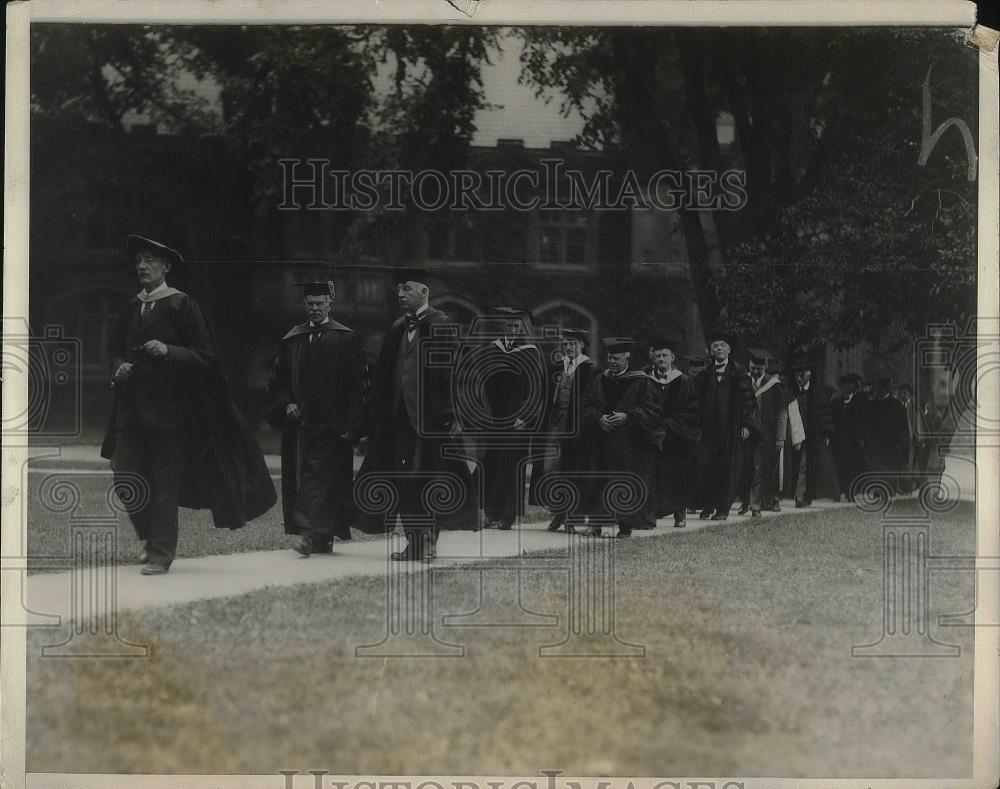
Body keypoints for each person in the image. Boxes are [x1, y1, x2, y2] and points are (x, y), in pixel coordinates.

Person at [102, 235, 276, 574]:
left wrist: (169, 351)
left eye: (149, 260)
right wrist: (117, 366)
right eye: (138, 260)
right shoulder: (130, 307)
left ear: (165, 267)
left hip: (172, 414)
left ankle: (159, 555)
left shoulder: (182, 305)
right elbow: (112, 350)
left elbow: (206, 357)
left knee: (164, 483)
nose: (141, 266)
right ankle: (150, 537)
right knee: (125, 476)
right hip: (131, 413)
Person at [353, 268, 475, 561]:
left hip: (432, 421)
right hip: (398, 420)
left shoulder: (442, 325)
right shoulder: (397, 328)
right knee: (403, 483)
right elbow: (383, 378)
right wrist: (374, 420)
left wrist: (454, 415)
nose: (400, 294)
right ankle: (413, 542)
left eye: (406, 289)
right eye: (398, 289)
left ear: (424, 292)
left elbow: (457, 375)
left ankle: (430, 541)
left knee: (433, 480)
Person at [268, 281, 368, 556]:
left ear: (330, 304)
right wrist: (286, 402)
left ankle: (309, 534)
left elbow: (357, 385)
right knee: (308, 478)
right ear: (305, 304)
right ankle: (321, 536)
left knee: (320, 478)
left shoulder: (345, 338)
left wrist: (354, 425)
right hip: (300, 426)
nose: (314, 308)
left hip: (333, 425)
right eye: (309, 303)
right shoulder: (293, 338)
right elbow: (277, 380)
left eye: (319, 303)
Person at [580, 337, 662, 538]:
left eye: (616, 358)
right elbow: (585, 406)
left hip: (629, 444)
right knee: (599, 481)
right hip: (602, 441)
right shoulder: (600, 379)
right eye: (609, 358)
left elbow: (652, 410)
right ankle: (596, 524)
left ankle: (625, 527)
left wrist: (628, 416)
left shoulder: (642, 381)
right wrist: (598, 418)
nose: (612, 362)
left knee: (625, 483)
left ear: (627, 358)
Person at [478, 307, 547, 530]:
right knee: (492, 462)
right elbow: (483, 383)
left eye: (517, 326)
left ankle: (508, 515)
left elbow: (536, 388)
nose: (514, 330)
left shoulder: (530, 351)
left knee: (511, 465)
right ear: (502, 326)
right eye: (509, 326)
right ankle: (490, 513)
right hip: (495, 417)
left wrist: (525, 416)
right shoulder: (492, 348)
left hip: (518, 420)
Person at [535, 328, 598, 533]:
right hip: (554, 425)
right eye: (566, 344)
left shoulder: (590, 368)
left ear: (582, 345)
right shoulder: (556, 366)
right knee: (551, 470)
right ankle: (558, 513)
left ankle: (572, 516)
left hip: (577, 429)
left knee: (573, 471)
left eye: (573, 343)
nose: (569, 347)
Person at [692, 330, 759, 521]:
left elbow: (750, 402)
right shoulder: (705, 375)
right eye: (715, 345)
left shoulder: (738, 373)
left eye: (722, 345)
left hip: (731, 430)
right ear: (711, 350)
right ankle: (707, 504)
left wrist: (747, 425)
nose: (719, 348)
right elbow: (696, 401)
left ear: (729, 349)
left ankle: (722, 508)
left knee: (726, 468)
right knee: (704, 465)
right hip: (708, 430)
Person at [644, 337, 700, 528]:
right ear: (653, 358)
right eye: (657, 355)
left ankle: (679, 513)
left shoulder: (684, 381)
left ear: (673, 357)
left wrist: (671, 425)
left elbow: (692, 410)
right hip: (652, 434)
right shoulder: (646, 380)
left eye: (665, 355)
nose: (661, 359)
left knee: (678, 474)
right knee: (652, 475)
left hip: (676, 435)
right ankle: (651, 513)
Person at [738, 349, 786, 519]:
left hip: (766, 434)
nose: (755, 371)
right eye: (753, 368)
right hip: (745, 433)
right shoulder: (742, 382)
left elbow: (782, 412)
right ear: (748, 366)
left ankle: (756, 505)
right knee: (744, 468)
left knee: (760, 469)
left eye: (759, 368)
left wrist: (781, 437)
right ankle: (745, 502)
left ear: (764, 367)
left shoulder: (773, 384)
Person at [784, 359, 837, 506]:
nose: (799, 379)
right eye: (796, 376)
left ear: (809, 375)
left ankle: (800, 496)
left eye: (801, 375)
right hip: (794, 435)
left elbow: (825, 414)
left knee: (805, 464)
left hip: (812, 435)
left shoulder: (817, 392)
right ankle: (798, 494)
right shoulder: (791, 392)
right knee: (796, 464)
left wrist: (826, 433)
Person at [868, 377, 911, 494]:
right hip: (877, 444)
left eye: (879, 388)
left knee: (891, 468)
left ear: (885, 389)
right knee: (878, 468)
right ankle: (878, 491)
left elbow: (903, 426)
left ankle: (890, 491)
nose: (877, 391)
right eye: (877, 388)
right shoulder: (873, 405)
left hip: (892, 444)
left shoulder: (896, 405)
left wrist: (903, 443)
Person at [830, 372, 869, 500]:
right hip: (840, 441)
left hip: (854, 441)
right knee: (840, 466)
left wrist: (862, 438)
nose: (845, 388)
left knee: (853, 466)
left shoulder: (859, 403)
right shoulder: (836, 403)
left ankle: (850, 492)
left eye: (849, 386)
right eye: (844, 386)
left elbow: (863, 422)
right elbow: (833, 421)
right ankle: (840, 490)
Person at [682, 352, 711, 515]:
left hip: (703, 430)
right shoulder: (684, 382)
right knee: (689, 467)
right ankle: (689, 502)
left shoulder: (706, 383)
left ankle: (701, 502)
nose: (694, 372)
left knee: (701, 466)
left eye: (697, 369)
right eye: (692, 369)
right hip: (687, 429)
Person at [896, 383, 924, 492]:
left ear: (909, 394)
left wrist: (919, 438)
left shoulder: (914, 407)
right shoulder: (897, 406)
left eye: (905, 393)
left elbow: (918, 423)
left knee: (912, 462)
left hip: (912, 439)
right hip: (902, 440)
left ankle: (911, 485)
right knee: (902, 464)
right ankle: (903, 486)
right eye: (901, 393)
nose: (902, 395)